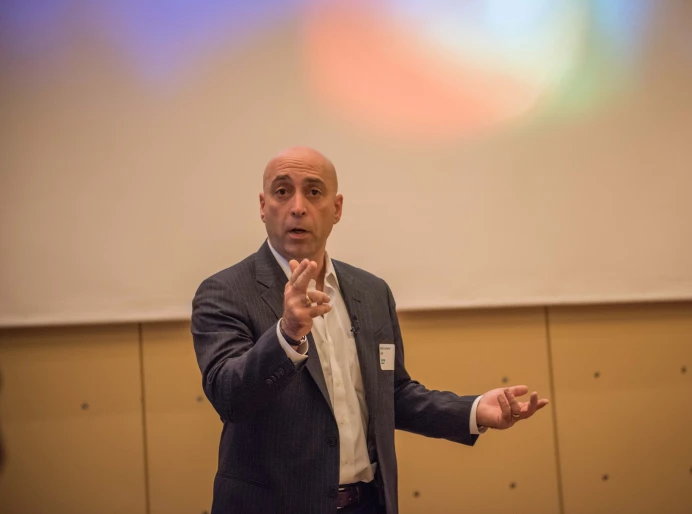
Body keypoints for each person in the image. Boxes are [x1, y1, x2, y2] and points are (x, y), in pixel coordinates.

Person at [191, 146, 549, 514]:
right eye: (283, 191)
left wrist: (472, 410)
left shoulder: (371, 291)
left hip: (369, 503)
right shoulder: (224, 292)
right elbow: (229, 397)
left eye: (314, 192)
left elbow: (392, 394)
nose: (298, 206)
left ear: (337, 208)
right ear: (263, 206)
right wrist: (287, 334)